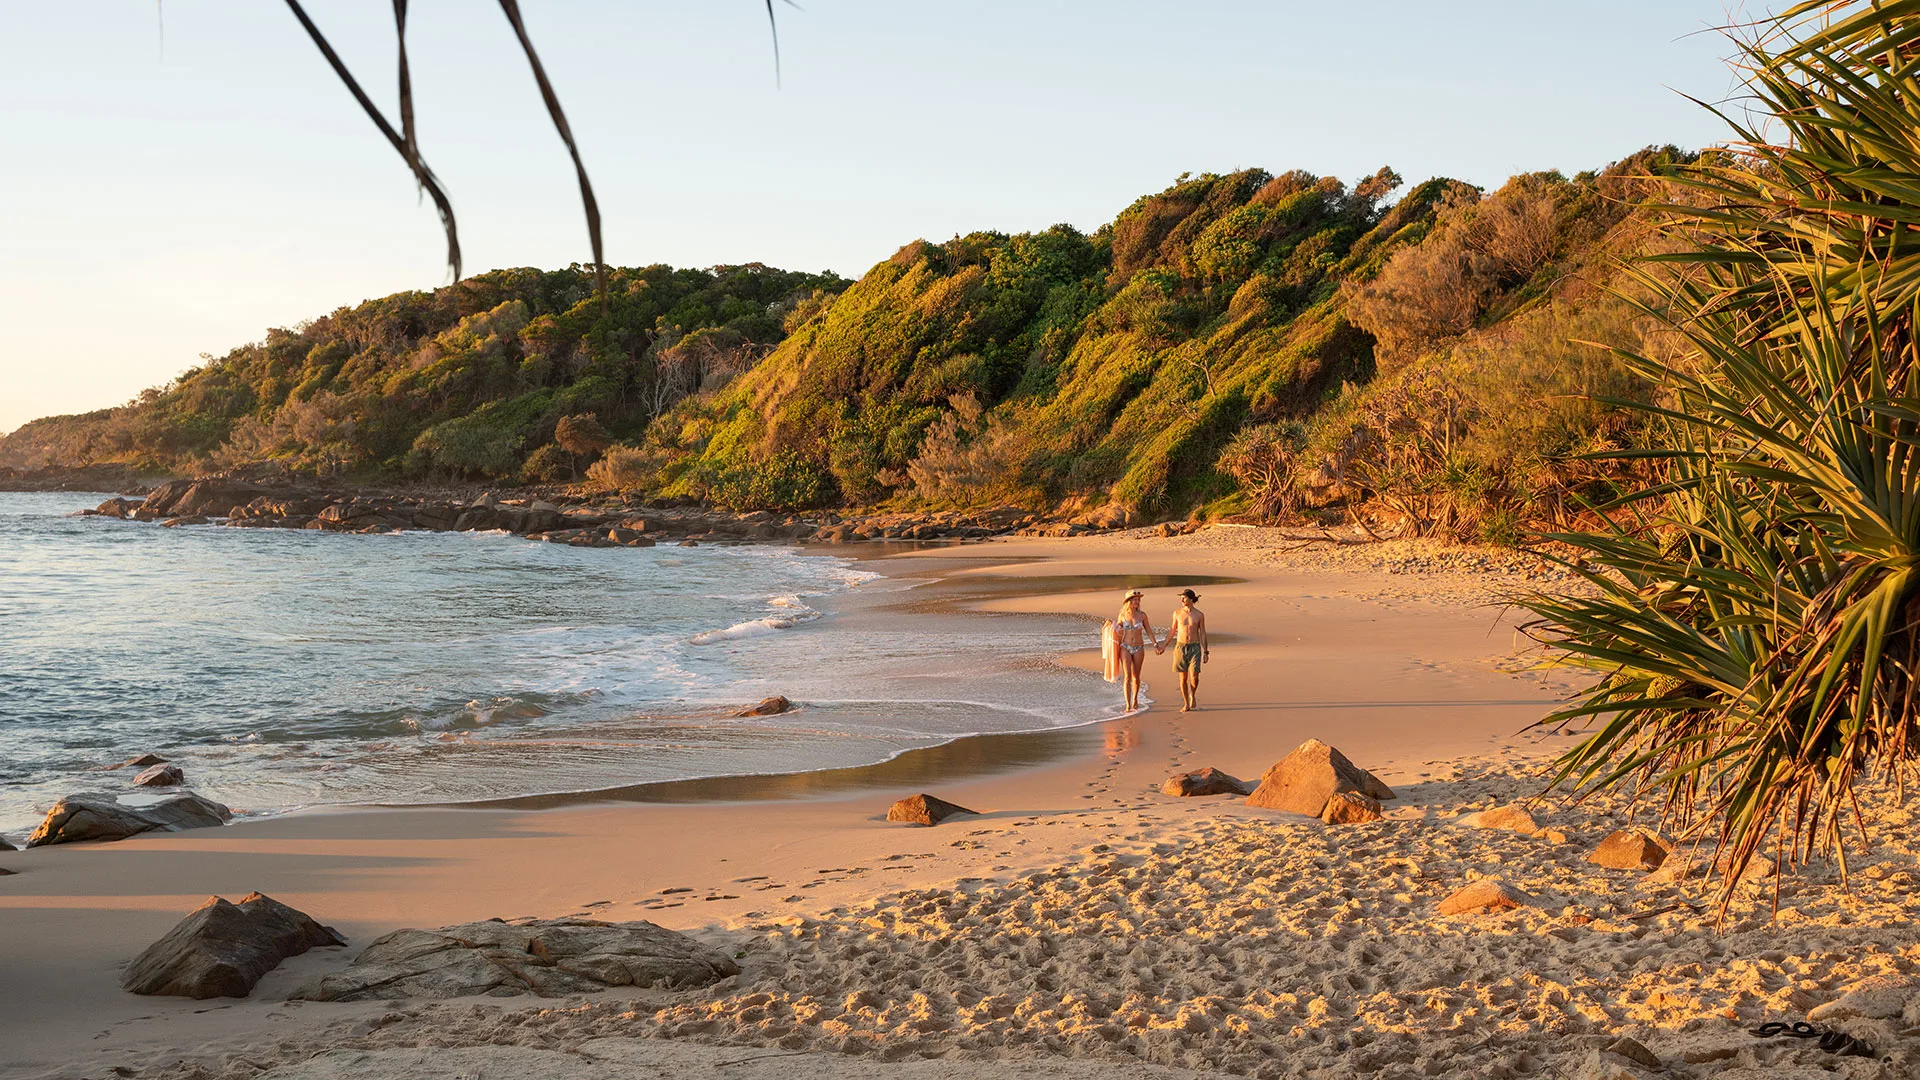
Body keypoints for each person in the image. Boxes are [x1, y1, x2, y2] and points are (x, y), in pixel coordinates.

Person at [1111, 588, 1158, 712]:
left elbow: (1148, 630)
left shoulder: (1142, 615)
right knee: (1127, 677)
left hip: (1139, 648)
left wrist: (1155, 643)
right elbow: (1117, 628)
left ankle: (1135, 699)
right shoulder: (1122, 615)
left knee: (1136, 677)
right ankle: (1128, 704)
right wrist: (1111, 626)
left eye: (1138, 600)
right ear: (1129, 601)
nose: (1137, 602)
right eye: (1134, 600)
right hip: (1125, 647)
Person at [1167, 588, 1209, 711]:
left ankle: (1192, 694)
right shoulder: (1177, 613)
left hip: (1195, 647)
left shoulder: (1199, 615)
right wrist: (1164, 645)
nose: (1182, 599)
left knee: (1194, 677)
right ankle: (1186, 703)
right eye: (1181, 597)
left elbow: (1202, 633)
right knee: (1183, 678)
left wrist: (1206, 651)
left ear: (1191, 599)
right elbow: (1172, 630)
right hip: (1180, 647)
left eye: (1184, 597)